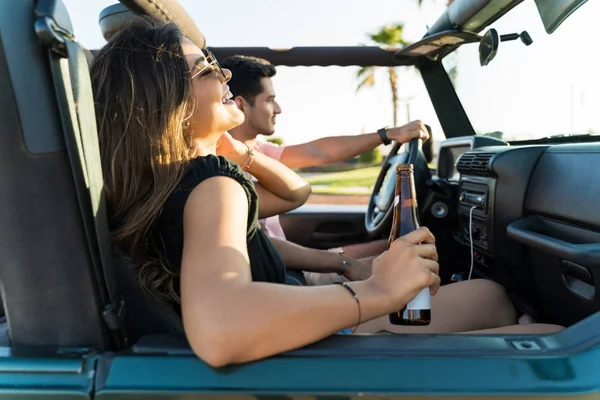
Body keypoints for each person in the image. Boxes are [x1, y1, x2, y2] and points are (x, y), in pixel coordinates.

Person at [90, 18, 563, 368]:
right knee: (556, 340)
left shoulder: (164, 187)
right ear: (168, 100)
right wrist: (375, 289)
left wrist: (233, 150)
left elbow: (293, 196)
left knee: (491, 297)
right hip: (309, 357)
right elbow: (220, 329)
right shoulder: (212, 183)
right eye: (208, 69)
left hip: (299, 341)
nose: (226, 76)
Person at [221, 55, 430, 284]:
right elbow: (257, 243)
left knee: (400, 246)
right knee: (414, 259)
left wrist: (387, 135)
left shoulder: (257, 150)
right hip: (282, 274)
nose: (278, 109)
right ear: (240, 104)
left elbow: (318, 152)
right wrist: (344, 264)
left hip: (289, 263)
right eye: (270, 100)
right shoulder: (224, 165)